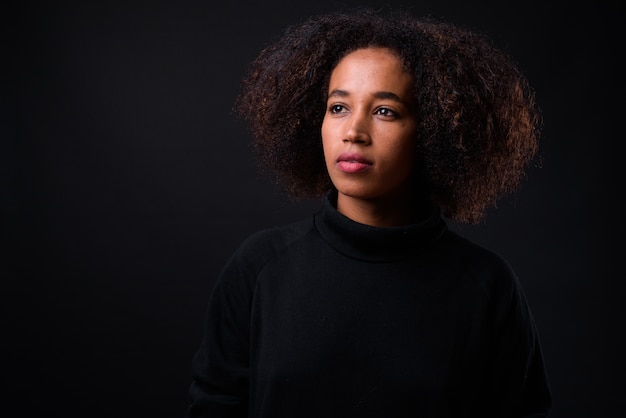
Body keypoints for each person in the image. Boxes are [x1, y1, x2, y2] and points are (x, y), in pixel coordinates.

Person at [185, 7, 551, 418]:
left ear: (433, 132)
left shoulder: (486, 286)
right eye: (338, 107)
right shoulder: (258, 269)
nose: (354, 131)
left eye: (384, 111)